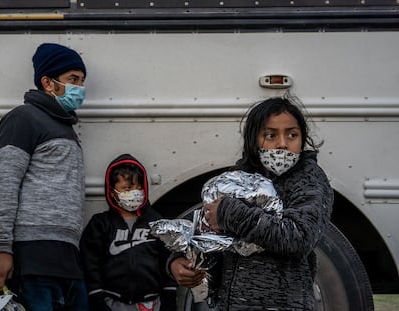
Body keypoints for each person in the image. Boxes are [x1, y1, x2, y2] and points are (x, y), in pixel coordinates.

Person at [170, 97, 334, 310]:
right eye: (271, 135)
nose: (282, 143)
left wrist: (231, 214)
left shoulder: (309, 180)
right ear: (253, 140)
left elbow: (299, 238)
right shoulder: (236, 178)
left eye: (292, 134)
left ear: (302, 139)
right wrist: (178, 261)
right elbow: (206, 229)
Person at [0, 43, 89, 310]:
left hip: (66, 257)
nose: (80, 88)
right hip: (32, 256)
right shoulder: (23, 118)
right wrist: (2, 249)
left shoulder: (65, 127)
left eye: (81, 81)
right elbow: (6, 184)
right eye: (72, 80)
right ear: (48, 82)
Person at [80, 154, 174, 311]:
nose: (135, 193)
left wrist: (170, 296)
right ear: (112, 192)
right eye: (127, 188)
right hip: (113, 302)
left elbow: (169, 260)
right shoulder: (100, 224)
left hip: (151, 303)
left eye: (139, 188)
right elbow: (90, 263)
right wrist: (96, 296)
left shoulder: (156, 222)